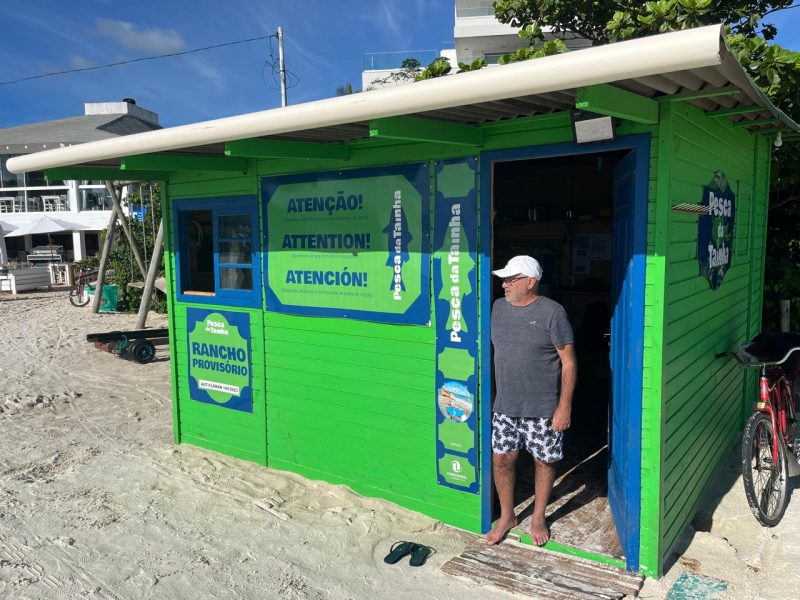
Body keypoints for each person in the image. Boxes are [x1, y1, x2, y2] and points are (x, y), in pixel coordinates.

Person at [487, 255, 577, 546]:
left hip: (543, 409)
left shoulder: (553, 312)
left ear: (530, 282)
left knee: (544, 461)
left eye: (510, 280)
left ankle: (538, 517)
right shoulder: (496, 308)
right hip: (505, 407)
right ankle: (507, 516)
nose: (504, 285)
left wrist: (564, 407)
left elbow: (569, 362)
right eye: (504, 279)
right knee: (501, 460)